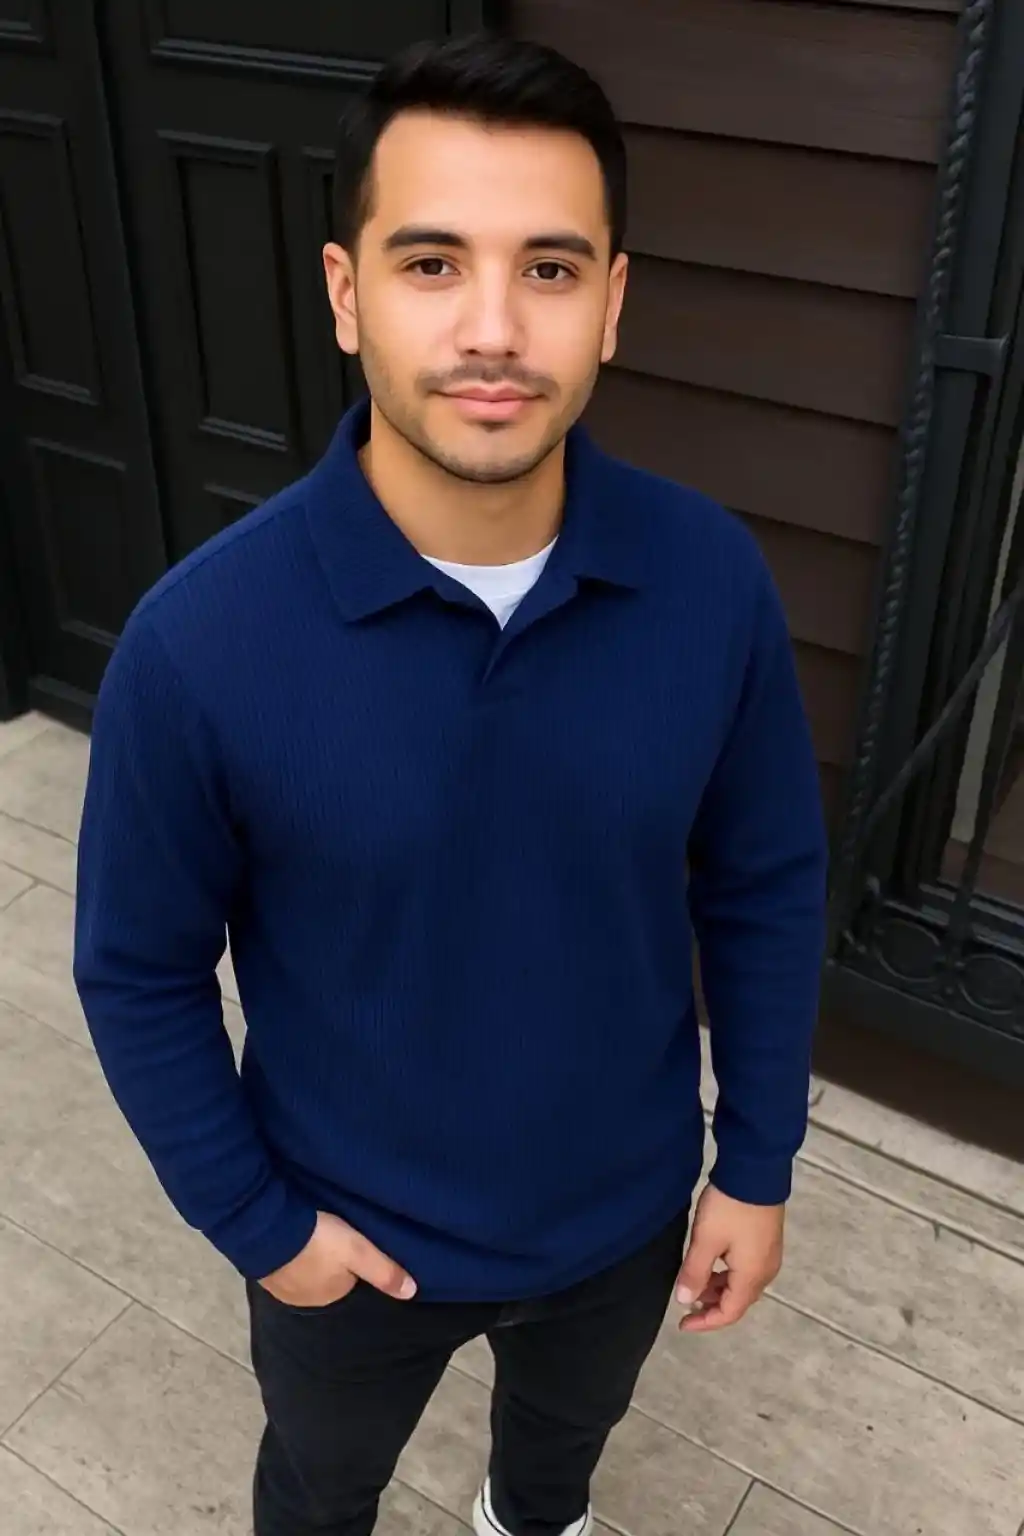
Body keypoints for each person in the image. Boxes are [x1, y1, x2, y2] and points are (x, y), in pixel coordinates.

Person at [74, 31, 828, 1536]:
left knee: (556, 1466)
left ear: (612, 302)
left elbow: (764, 885)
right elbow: (138, 970)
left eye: (549, 268)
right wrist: (262, 1228)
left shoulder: (708, 584)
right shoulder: (200, 643)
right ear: (347, 292)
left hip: (621, 1217)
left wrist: (755, 1165)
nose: (494, 327)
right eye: (432, 264)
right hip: (348, 1239)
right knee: (319, 1488)